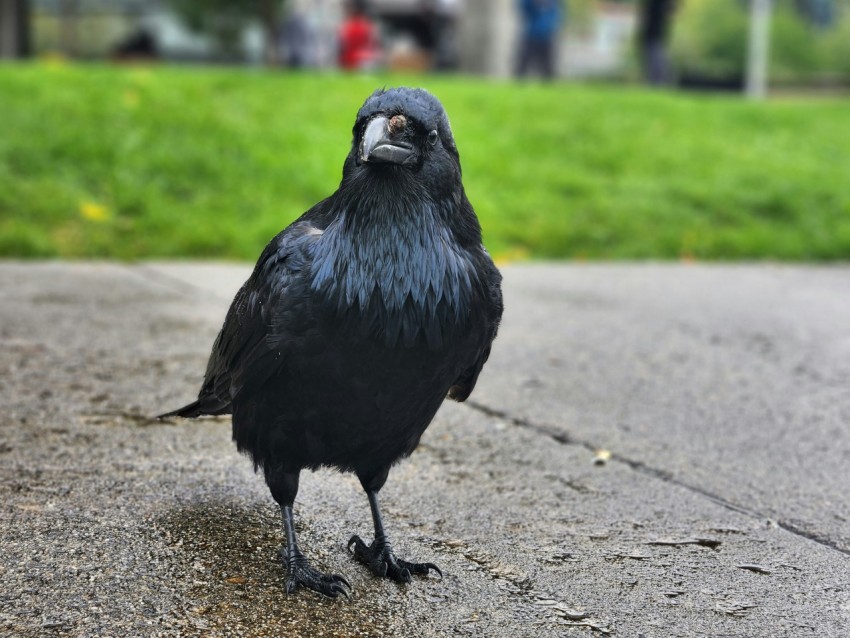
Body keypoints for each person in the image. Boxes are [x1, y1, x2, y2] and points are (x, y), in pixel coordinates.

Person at [515, 0, 565, 80]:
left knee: (548, 68)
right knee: (522, 66)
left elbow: (558, 12)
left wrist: (552, 25)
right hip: (531, 35)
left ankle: (549, 87)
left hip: (547, 36)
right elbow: (523, 9)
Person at [638, 0, 676, 85]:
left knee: (656, 62)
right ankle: (657, 83)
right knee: (656, 63)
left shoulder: (658, 4)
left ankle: (657, 83)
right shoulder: (658, 4)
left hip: (655, 36)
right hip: (653, 36)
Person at [338, 0, 381, 71]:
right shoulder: (367, 26)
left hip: (358, 62)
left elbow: (342, 47)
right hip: (358, 62)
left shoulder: (353, 26)